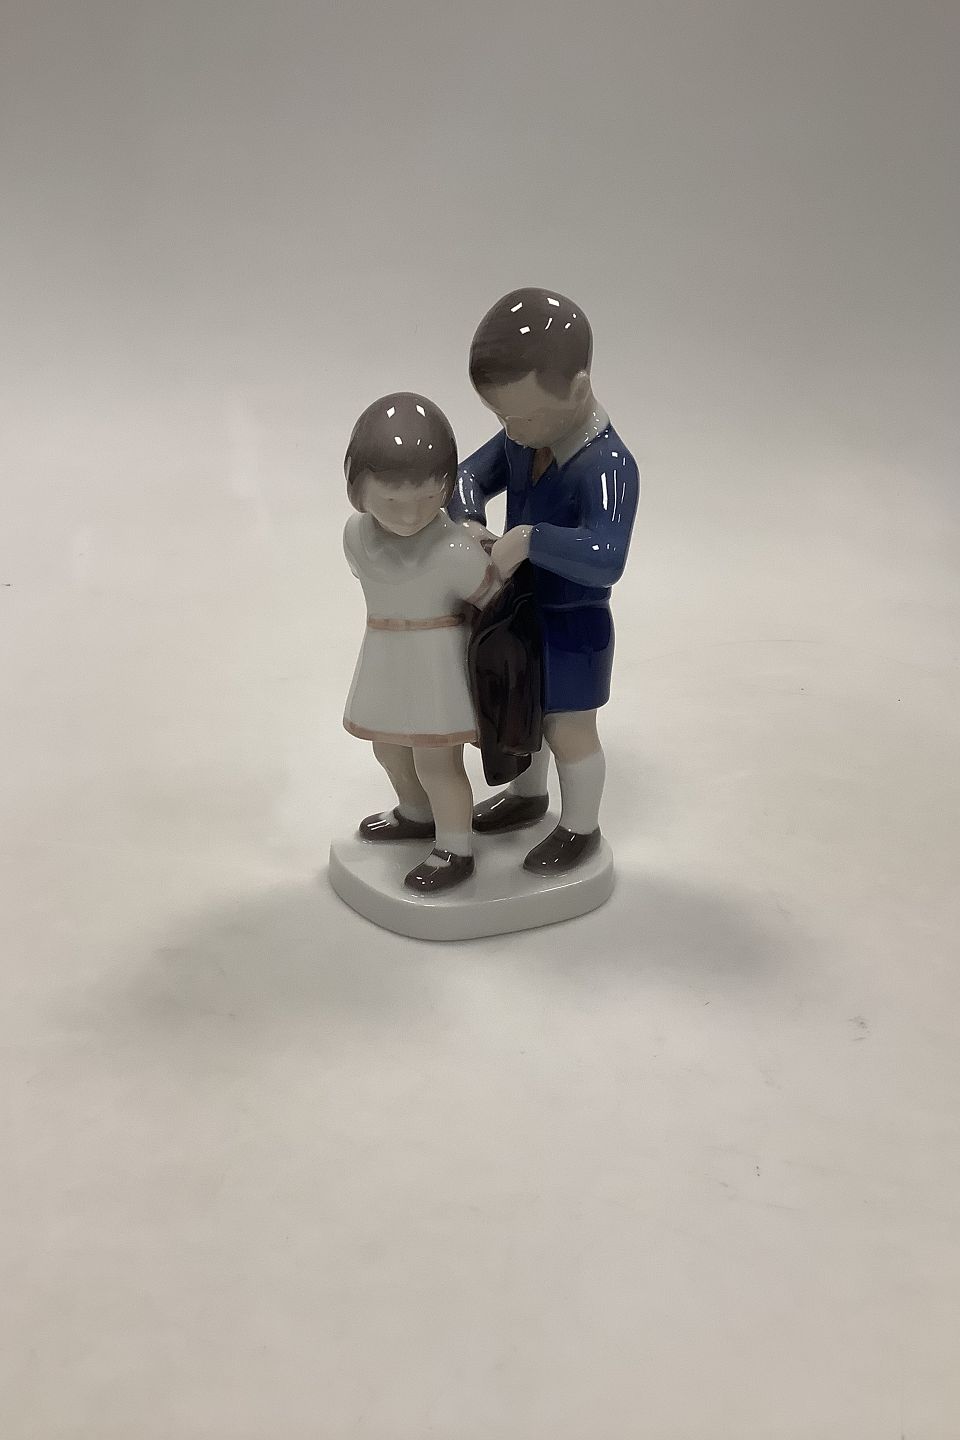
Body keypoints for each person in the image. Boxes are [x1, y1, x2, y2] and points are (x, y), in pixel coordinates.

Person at [448, 288, 640, 874]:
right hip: (517, 608)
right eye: (501, 417)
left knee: (569, 728)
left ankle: (580, 826)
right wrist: (472, 523)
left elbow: (607, 555)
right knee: (519, 708)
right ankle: (527, 796)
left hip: (573, 623)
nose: (511, 429)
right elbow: (465, 478)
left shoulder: (608, 465)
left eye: (524, 416)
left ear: (578, 390)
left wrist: (531, 538)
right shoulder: (520, 437)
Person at [343, 392, 497, 893]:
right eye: (392, 501)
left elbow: (492, 600)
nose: (410, 515)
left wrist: (499, 555)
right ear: (358, 490)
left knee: (437, 760)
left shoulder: (454, 549)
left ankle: (456, 845)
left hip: (437, 665)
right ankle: (415, 812)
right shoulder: (356, 536)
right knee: (388, 746)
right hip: (385, 654)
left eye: (429, 498)